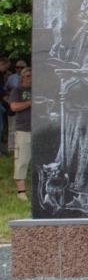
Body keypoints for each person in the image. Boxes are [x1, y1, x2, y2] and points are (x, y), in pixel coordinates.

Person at [10, 68, 32, 201]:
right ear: (22, 77)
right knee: (21, 160)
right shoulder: (17, 91)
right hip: (23, 129)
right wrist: (29, 103)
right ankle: (21, 192)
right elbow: (14, 107)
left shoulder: (37, 90)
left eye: (32, 76)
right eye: (28, 76)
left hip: (37, 130)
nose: (30, 78)